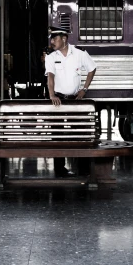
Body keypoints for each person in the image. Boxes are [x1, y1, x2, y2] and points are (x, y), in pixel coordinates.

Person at [43, 25, 97, 177]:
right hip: (58, 100)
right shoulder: (51, 57)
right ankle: (60, 170)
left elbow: (92, 68)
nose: (52, 41)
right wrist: (52, 95)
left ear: (64, 39)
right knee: (57, 136)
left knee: (79, 135)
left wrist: (84, 89)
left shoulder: (80, 54)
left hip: (75, 100)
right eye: (51, 38)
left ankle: (83, 169)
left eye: (55, 38)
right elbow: (51, 77)